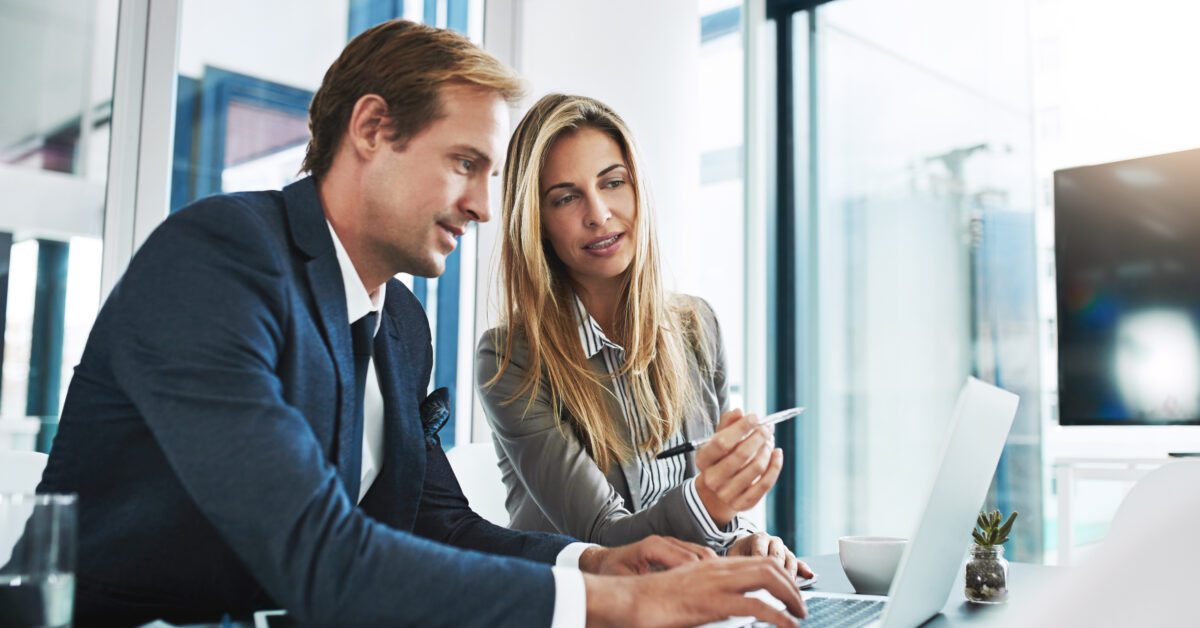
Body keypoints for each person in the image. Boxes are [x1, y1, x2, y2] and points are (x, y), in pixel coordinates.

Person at [34, 20, 805, 626]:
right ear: (372, 128)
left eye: (490, 175)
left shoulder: (401, 325)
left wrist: (595, 564)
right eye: (465, 163)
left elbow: (442, 525)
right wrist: (611, 604)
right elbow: (316, 554)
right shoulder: (218, 260)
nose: (484, 206)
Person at [476, 94, 810, 578]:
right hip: (589, 605)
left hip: (690, 597)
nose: (598, 214)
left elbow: (711, 517)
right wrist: (712, 503)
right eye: (566, 198)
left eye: (613, 183)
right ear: (538, 223)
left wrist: (741, 538)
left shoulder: (698, 326)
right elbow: (605, 541)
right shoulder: (510, 358)